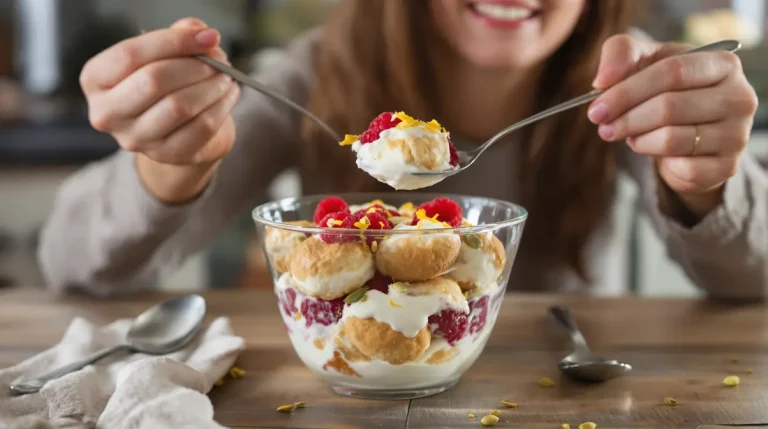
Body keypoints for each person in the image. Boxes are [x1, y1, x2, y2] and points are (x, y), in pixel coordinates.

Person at [38, 0, 766, 297]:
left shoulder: (626, 82)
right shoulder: (313, 72)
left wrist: (704, 182)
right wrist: (169, 164)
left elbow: (754, 277)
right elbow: (70, 262)